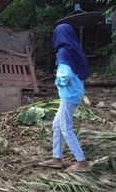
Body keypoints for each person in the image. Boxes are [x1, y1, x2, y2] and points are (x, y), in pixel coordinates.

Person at [38, 23, 90, 172]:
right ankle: (57, 158)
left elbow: (65, 75)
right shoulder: (73, 50)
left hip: (69, 94)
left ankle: (82, 162)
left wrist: (57, 81)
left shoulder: (63, 52)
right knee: (57, 124)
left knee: (65, 127)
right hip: (75, 91)